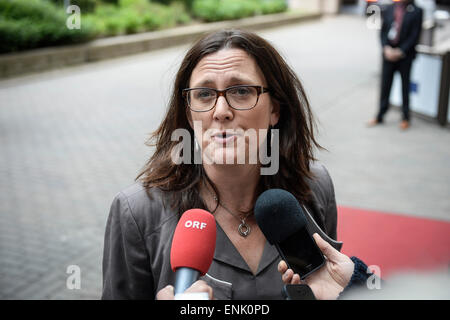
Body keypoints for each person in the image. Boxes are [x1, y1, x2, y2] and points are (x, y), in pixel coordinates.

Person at [101, 29, 372, 300]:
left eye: (241, 91)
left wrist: (351, 292)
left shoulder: (314, 185)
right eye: (204, 94)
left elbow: (330, 285)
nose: (220, 111)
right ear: (188, 113)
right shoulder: (136, 212)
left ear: (275, 110)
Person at [368, 0, 423, 130]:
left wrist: (400, 51)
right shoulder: (389, 8)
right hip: (388, 54)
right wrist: (385, 48)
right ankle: (380, 114)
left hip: (404, 56)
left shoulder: (417, 11)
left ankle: (405, 117)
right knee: (385, 86)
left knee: (405, 86)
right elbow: (383, 31)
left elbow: (415, 36)